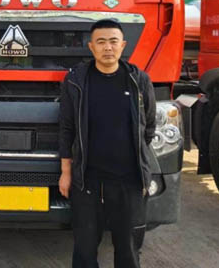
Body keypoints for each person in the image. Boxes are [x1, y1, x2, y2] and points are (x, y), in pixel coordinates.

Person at [58, 18, 156, 268]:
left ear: (123, 45)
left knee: (128, 250)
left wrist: (141, 167)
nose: (108, 47)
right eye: (101, 42)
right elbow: (67, 128)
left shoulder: (139, 80)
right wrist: (66, 173)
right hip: (88, 181)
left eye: (113, 41)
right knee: (84, 249)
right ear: (91, 47)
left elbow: (148, 127)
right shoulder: (76, 81)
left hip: (129, 181)